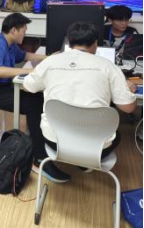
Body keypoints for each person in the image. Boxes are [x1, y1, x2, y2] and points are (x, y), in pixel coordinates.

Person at [0, 13, 71, 183]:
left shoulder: (10, 44)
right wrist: (28, 71)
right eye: (23, 31)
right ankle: (39, 158)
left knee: (37, 96)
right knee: (33, 103)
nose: (24, 34)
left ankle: (38, 141)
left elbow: (25, 56)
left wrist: (49, 58)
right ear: (14, 30)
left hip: (0, 87)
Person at [25, 22, 137, 160]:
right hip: (96, 147)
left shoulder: (50, 62)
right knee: (117, 137)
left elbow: (28, 86)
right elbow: (128, 108)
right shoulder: (108, 66)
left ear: (68, 41)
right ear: (95, 43)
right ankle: (85, 163)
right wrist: (126, 88)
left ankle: (74, 161)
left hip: (55, 141)